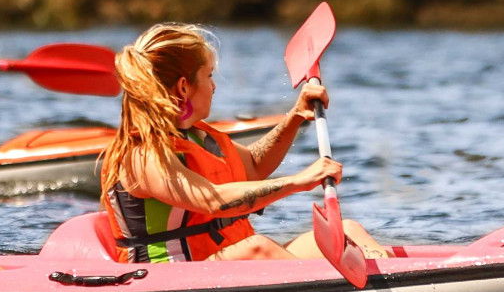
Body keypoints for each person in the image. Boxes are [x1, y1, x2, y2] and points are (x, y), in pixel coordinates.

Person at [97, 21, 396, 264]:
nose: (214, 85)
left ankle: (395, 281)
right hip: (171, 278)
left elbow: (253, 166)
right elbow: (212, 200)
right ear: (184, 87)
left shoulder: (197, 135)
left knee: (348, 230)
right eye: (208, 75)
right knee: (257, 248)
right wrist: (299, 181)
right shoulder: (141, 155)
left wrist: (295, 116)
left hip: (226, 265)